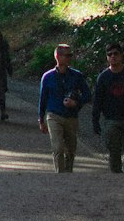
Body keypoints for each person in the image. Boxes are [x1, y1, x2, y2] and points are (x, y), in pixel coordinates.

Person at [91, 43, 124, 173]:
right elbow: (97, 100)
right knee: (113, 150)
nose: (113, 57)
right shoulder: (103, 77)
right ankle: (116, 177)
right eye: (109, 54)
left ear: (122, 55)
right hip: (111, 119)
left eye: (116, 53)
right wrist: (95, 120)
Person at [38, 44, 92, 172]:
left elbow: (88, 95)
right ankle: (60, 174)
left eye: (70, 55)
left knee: (71, 149)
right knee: (58, 148)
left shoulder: (77, 76)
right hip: (54, 115)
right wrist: (41, 119)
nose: (69, 58)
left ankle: (68, 172)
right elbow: (43, 98)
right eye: (67, 55)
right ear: (57, 56)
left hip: (71, 116)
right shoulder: (47, 77)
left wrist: (76, 103)